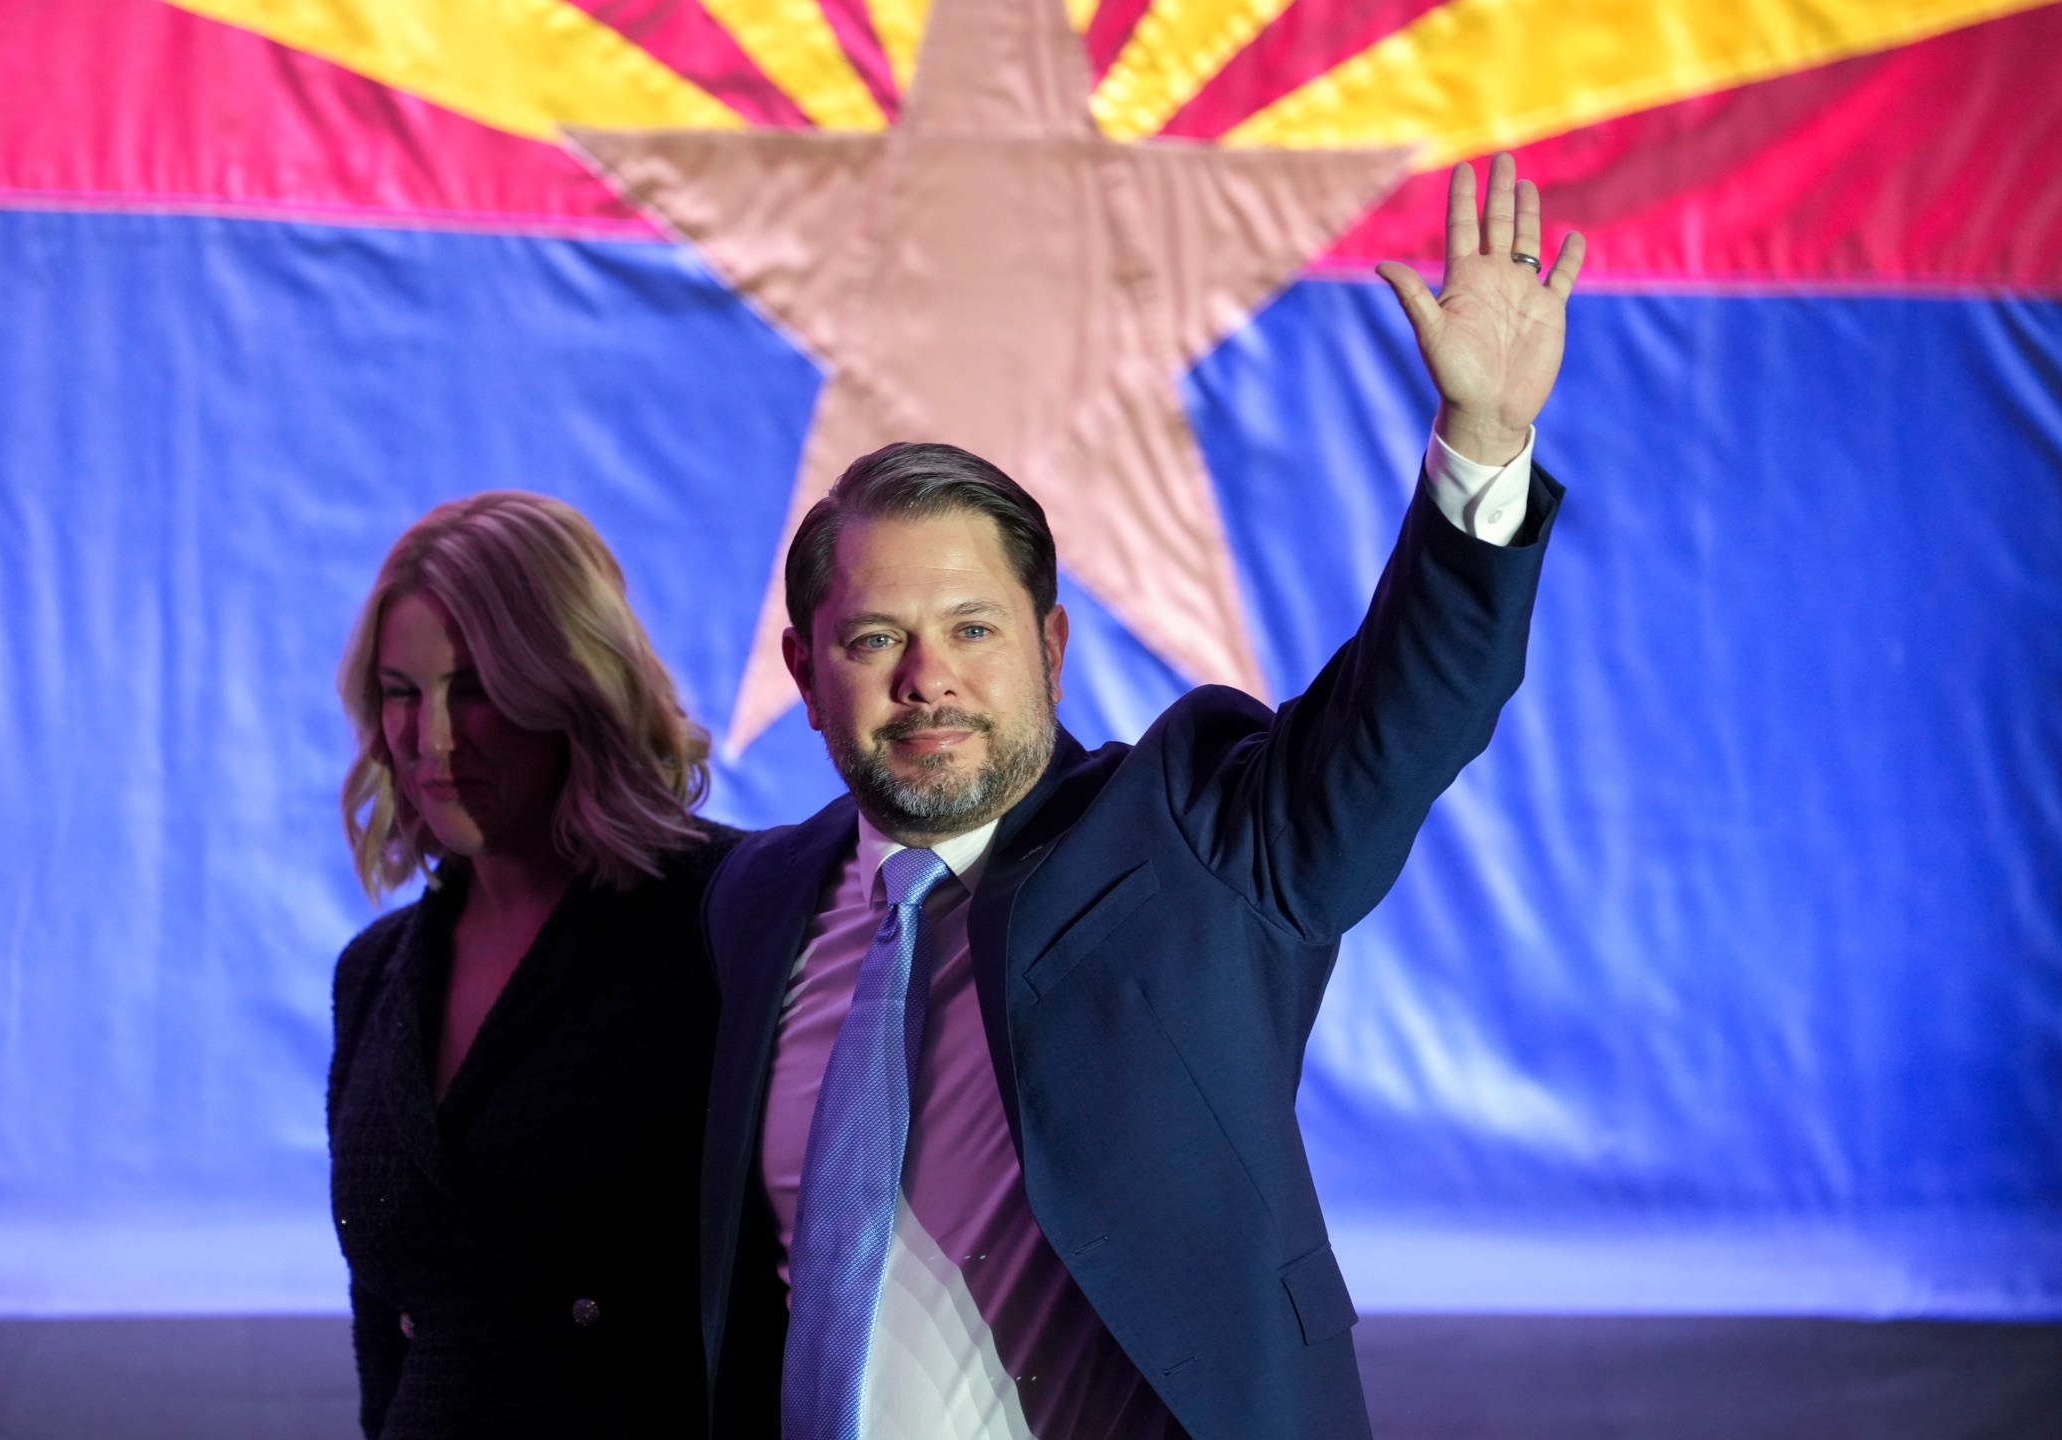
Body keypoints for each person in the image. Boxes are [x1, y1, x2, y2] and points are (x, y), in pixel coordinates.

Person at [698, 156, 1584, 1439]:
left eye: (971, 629)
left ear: (1051, 646)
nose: (927, 679)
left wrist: (1483, 453)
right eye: (875, 638)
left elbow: (1401, 723)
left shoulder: (1195, 840)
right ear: (803, 668)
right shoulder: (752, 902)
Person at [325, 490, 737, 1438]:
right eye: (402, 694)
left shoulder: (724, 912)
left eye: (474, 688)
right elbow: (384, 1343)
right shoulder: (375, 974)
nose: (432, 741)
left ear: (573, 684)